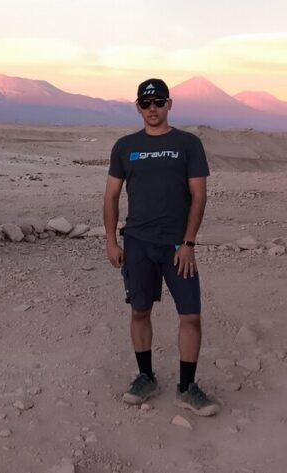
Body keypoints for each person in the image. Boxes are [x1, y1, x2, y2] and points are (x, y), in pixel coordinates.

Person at [103, 78, 218, 416]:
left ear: (170, 104)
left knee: (191, 316)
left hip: (175, 246)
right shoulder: (125, 146)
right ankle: (145, 377)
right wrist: (111, 241)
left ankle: (187, 387)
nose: (152, 109)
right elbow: (111, 196)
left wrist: (188, 242)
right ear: (138, 107)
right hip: (137, 243)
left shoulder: (188, 144)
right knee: (139, 311)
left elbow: (199, 195)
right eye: (146, 103)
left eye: (158, 102)